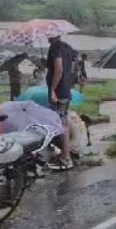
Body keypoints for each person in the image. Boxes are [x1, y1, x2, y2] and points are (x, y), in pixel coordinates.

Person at [46, 33, 76, 170]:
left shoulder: (55, 47)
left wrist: (53, 88)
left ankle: (66, 158)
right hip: (66, 89)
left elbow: (59, 68)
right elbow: (72, 67)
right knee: (62, 121)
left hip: (59, 92)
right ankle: (65, 153)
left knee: (61, 123)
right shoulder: (68, 47)